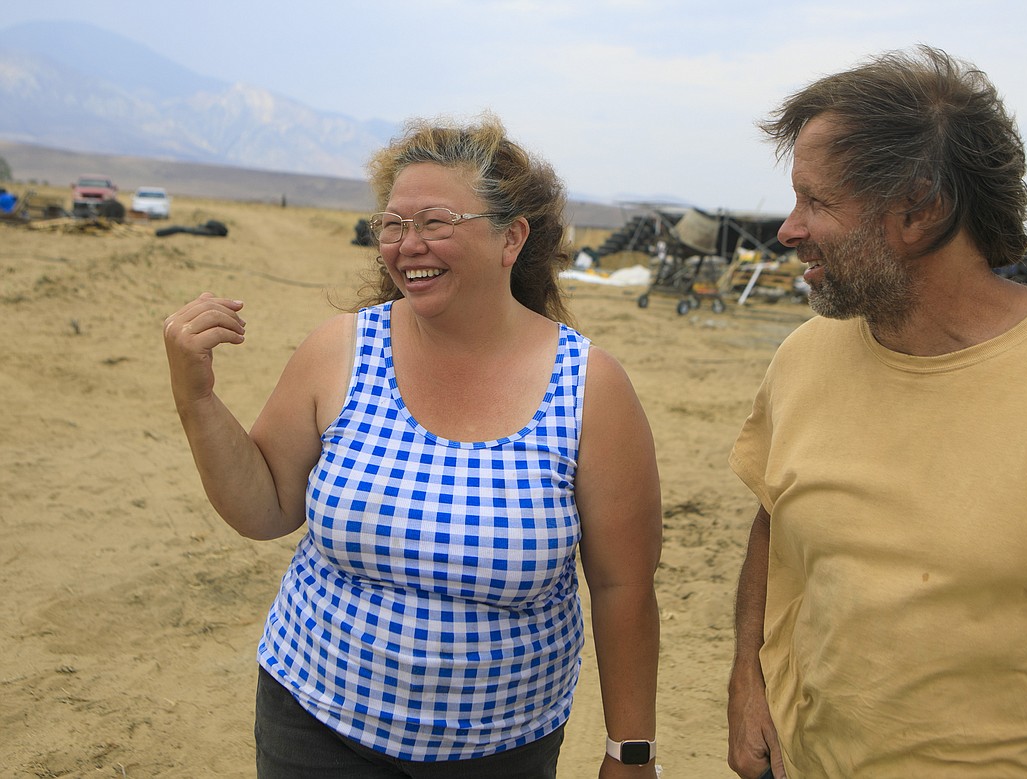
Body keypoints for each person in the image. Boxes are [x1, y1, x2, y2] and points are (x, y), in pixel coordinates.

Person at [164, 114, 661, 778]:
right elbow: (266, 508)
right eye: (392, 225)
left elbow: (621, 584)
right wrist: (197, 399)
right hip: (315, 727)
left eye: (434, 222)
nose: (406, 244)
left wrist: (629, 752)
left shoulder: (589, 388)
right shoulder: (340, 350)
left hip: (499, 749)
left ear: (512, 237)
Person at [726, 46, 1027, 779]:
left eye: (817, 201)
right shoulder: (805, 357)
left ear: (920, 209)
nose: (788, 229)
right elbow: (776, 515)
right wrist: (748, 677)